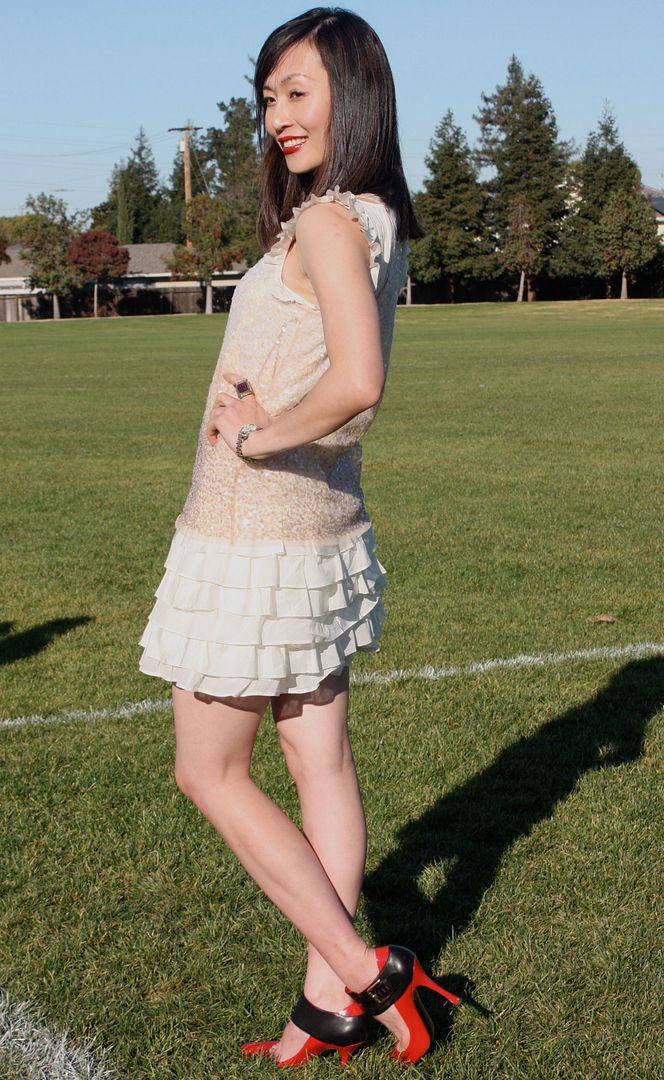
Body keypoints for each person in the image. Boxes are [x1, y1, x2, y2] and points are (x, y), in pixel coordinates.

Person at [139, 6, 460, 1067]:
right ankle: (325, 1011)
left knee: (209, 772)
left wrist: (258, 435)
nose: (278, 115)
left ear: (351, 96)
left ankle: (372, 975)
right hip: (319, 534)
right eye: (268, 95)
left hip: (255, 538)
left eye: (299, 91)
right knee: (317, 763)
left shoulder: (328, 221)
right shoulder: (375, 219)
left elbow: (359, 384)